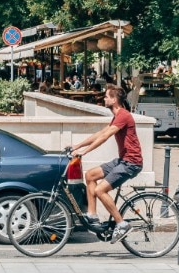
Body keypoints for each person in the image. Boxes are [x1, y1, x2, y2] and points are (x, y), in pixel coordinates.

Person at [69, 85, 143, 244]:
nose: (104, 99)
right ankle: (92, 215)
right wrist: (78, 146)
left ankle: (122, 224)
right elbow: (100, 133)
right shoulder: (117, 116)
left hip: (131, 162)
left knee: (100, 190)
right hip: (123, 160)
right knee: (90, 175)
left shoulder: (123, 115)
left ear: (114, 99)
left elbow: (105, 137)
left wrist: (85, 152)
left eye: (106, 97)